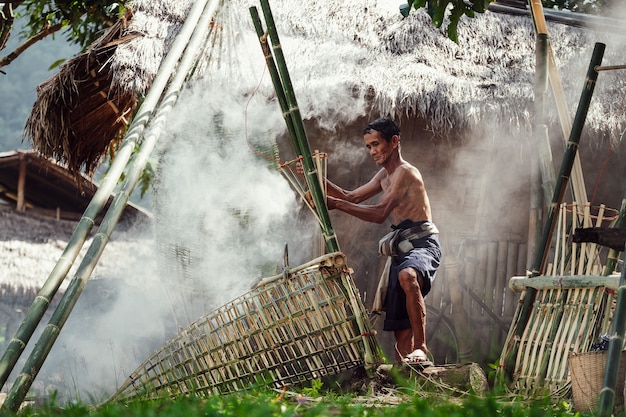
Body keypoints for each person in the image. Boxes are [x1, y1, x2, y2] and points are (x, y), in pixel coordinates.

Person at [325, 118, 441, 367]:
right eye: (368, 146)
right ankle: (407, 381)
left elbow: (379, 214)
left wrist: (335, 204)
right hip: (400, 248)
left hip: (422, 244)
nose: (372, 151)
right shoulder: (383, 175)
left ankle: (421, 348)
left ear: (394, 141)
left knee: (408, 276)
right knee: (400, 327)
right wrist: (316, 180)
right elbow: (350, 196)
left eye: (376, 144)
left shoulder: (406, 173)